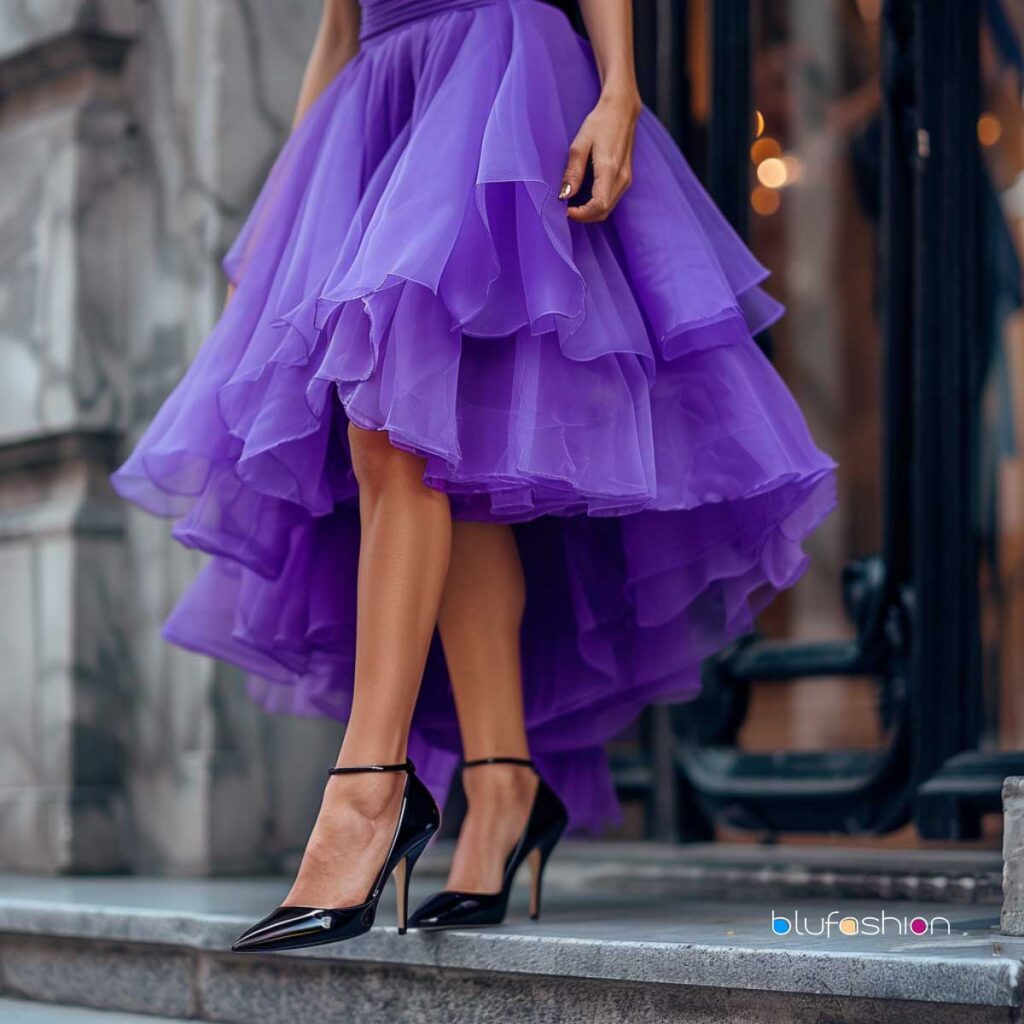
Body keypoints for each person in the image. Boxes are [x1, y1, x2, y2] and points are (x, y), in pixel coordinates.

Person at [112, 0, 836, 952]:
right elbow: (337, 25)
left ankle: (368, 794)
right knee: (451, 460)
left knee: (392, 434)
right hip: (377, 100)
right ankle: (502, 786)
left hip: (497, 74)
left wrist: (619, 88)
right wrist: (282, 222)